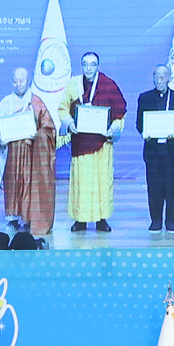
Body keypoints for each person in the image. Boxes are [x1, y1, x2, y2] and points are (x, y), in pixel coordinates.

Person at [57, 51, 124, 233]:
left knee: (103, 182)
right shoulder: (73, 84)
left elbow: (120, 114)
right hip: (81, 142)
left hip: (102, 145)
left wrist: (113, 129)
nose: (88, 68)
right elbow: (63, 108)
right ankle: (80, 220)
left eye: (92, 64)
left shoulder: (108, 85)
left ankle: (102, 219)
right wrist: (70, 123)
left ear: (98, 66)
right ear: (81, 66)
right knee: (82, 183)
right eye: (85, 64)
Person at [0, 66, 58, 237]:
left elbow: (49, 127)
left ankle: (29, 218)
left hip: (32, 154)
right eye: (15, 80)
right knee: (13, 184)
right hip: (12, 154)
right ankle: (13, 218)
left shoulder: (36, 102)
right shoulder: (5, 103)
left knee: (29, 184)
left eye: (21, 80)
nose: (18, 84)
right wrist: (0, 140)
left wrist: (38, 135)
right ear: (11, 81)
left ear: (27, 80)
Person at [135, 63, 174, 232]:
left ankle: (171, 219)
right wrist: (144, 132)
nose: (159, 80)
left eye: (163, 76)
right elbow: (139, 122)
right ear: (153, 78)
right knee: (154, 186)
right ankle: (155, 220)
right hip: (153, 150)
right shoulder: (145, 98)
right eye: (156, 76)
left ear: (169, 78)